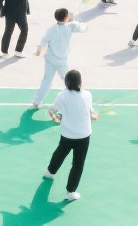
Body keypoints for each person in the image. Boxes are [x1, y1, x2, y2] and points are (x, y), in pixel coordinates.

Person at [42, 69, 98, 202]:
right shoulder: (88, 94)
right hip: (84, 136)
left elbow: (52, 110)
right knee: (78, 164)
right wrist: (92, 116)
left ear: (66, 82)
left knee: (60, 153)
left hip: (67, 134)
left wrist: (54, 117)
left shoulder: (62, 95)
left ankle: (50, 172)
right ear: (80, 82)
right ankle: (71, 192)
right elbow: (89, 111)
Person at [32, 8, 87, 109]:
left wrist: (38, 52)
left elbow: (43, 42)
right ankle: (78, 99)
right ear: (66, 17)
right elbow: (84, 28)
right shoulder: (71, 26)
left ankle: (37, 101)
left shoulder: (51, 29)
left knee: (46, 81)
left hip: (50, 59)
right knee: (69, 81)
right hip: (62, 61)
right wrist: (73, 20)